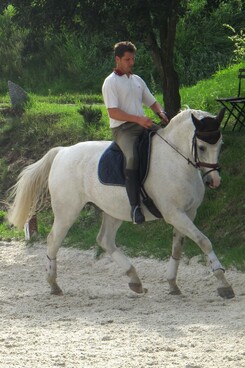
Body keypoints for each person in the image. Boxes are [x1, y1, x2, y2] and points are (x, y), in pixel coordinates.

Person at [102, 41, 169, 224]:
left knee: (168, 141)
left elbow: (152, 102)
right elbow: (113, 112)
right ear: (117, 59)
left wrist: (161, 113)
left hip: (142, 124)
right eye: (127, 59)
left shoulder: (137, 80)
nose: (131, 62)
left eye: (133, 58)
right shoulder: (110, 82)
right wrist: (139, 119)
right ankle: (135, 207)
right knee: (131, 157)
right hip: (123, 129)